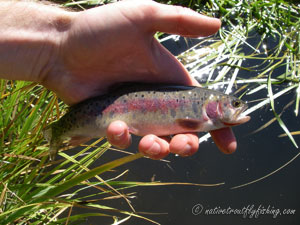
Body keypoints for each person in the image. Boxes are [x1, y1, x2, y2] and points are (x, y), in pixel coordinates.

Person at [0, 0, 237, 159]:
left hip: (109, 104)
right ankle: (59, 132)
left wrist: (58, 44)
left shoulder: (201, 109)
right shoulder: (200, 111)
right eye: (234, 104)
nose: (236, 108)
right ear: (215, 105)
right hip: (108, 104)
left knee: (111, 130)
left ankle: (60, 132)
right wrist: (59, 43)